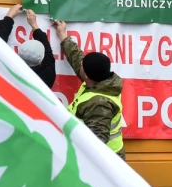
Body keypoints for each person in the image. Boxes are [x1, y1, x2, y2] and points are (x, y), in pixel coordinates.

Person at [52, 20, 125, 158]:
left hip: (106, 164)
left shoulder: (99, 104)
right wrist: (63, 35)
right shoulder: (100, 79)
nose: (80, 63)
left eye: (82, 65)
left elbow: (96, 146)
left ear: (85, 74)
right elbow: (77, 57)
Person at [0, 4, 57, 89]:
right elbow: (49, 55)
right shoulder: (47, 75)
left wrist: (9, 16)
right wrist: (34, 25)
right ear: (41, 58)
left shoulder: (11, 74)